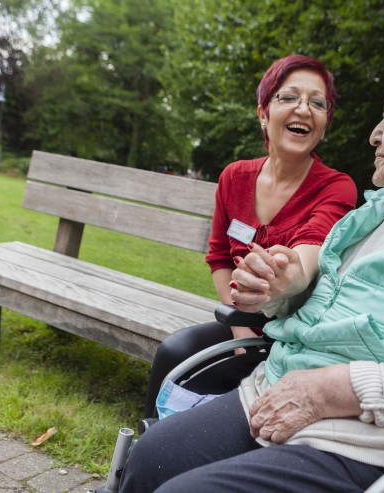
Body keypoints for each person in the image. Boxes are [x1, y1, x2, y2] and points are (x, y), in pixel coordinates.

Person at [120, 32, 384, 493]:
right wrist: (282, 294)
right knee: (150, 458)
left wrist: (333, 388)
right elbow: (319, 304)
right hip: (275, 389)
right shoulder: (377, 213)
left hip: (366, 439)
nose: (375, 134)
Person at [143, 54, 357, 417]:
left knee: (220, 389)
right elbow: (219, 257)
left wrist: (289, 273)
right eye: (288, 97)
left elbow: (310, 253)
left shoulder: (337, 187)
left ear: (324, 124)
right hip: (241, 325)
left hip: (294, 336)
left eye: (317, 103)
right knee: (174, 354)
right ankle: (137, 463)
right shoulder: (234, 177)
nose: (304, 109)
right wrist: (240, 328)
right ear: (263, 113)